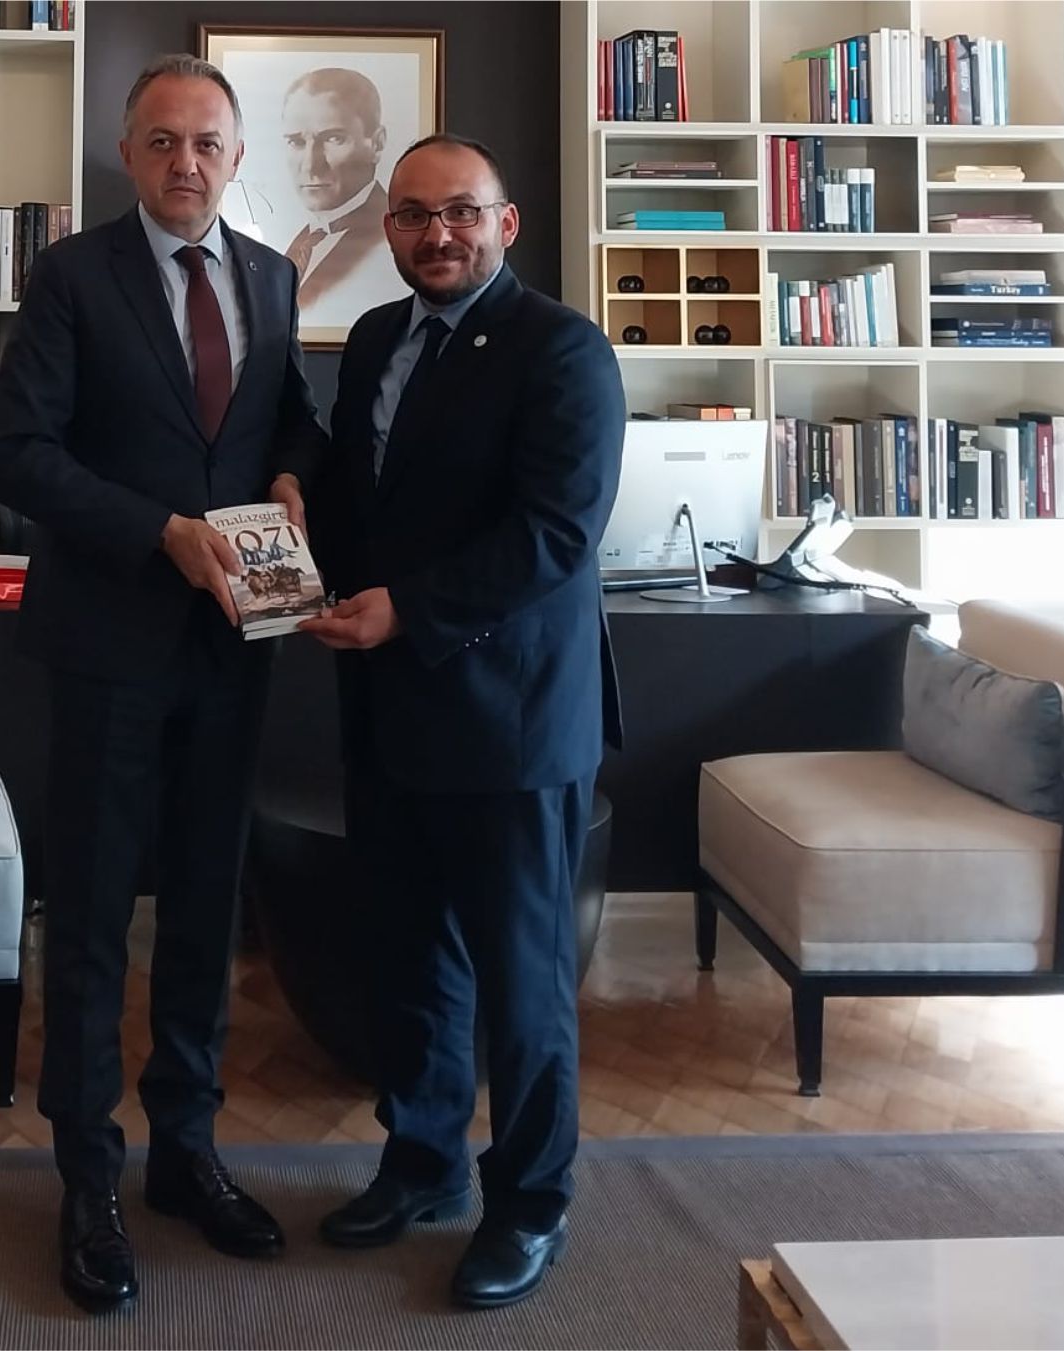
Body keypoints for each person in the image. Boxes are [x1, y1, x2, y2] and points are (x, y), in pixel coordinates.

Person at [0, 53, 325, 1314]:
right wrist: (159, 533)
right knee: (86, 916)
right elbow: (16, 452)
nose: (187, 161)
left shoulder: (272, 276)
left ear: (237, 158)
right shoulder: (73, 276)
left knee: (204, 905)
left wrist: (290, 477)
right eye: (163, 141)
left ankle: (186, 1150)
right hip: (107, 643)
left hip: (235, 646)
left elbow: (290, 418)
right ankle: (88, 1178)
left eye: (207, 142)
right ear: (128, 154)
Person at [299, 132, 625, 1311]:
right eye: (413, 215)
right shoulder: (376, 337)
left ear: (505, 222)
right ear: (387, 227)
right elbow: (359, 498)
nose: (436, 234)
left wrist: (407, 610)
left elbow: (556, 532)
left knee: (521, 986)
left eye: (460, 213)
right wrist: (289, 532)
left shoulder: (563, 350)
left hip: (512, 720)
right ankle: (424, 1161)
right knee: (410, 959)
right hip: (392, 706)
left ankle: (529, 1203)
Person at [279, 68, 403, 319]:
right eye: (296, 142)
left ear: (377, 144)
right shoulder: (300, 242)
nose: (310, 165)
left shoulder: (391, 243)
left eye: (333, 139)